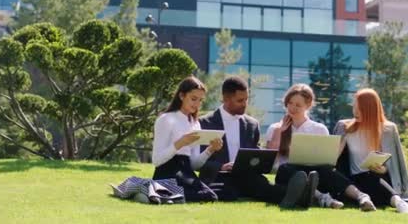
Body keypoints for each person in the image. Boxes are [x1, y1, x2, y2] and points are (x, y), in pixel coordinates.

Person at [199, 76, 316, 208]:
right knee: (229, 192)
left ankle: (303, 195)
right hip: (220, 176)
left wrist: (260, 158)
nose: (245, 104)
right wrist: (221, 166)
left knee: (264, 188)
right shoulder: (205, 123)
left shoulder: (251, 124)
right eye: (240, 100)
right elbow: (198, 161)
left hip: (247, 175)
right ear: (226, 99)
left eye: (246, 99)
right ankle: (303, 196)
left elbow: (255, 152)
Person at [266, 83, 376, 211]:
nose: (292, 108)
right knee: (286, 168)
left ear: (308, 106)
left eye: (298, 105)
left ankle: (362, 197)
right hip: (289, 175)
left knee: (326, 171)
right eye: (290, 103)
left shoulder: (319, 129)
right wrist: (279, 132)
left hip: (316, 174)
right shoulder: (275, 128)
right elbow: (270, 161)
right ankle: (322, 198)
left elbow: (328, 160)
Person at [334, 88, 408, 214]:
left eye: (360, 109)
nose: (355, 112)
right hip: (353, 182)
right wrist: (341, 141)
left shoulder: (388, 130)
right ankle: (396, 201)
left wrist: (384, 169)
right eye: (354, 107)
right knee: (364, 178)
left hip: (378, 178)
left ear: (371, 110)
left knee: (372, 176)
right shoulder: (344, 127)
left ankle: (397, 201)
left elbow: (396, 163)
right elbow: (333, 160)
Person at [152, 76, 222, 202]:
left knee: (220, 194)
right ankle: (156, 193)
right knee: (208, 196)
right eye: (193, 99)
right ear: (181, 96)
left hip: (186, 172)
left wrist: (210, 150)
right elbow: (156, 160)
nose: (197, 104)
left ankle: (161, 195)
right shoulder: (165, 119)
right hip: (167, 172)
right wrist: (180, 143)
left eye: (201, 100)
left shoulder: (195, 123)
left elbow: (194, 165)